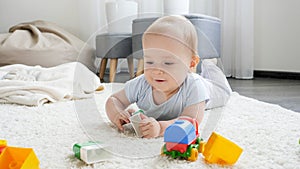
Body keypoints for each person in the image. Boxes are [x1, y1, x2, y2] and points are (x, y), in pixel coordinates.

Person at [105, 15, 232, 138]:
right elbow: (114, 100)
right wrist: (117, 114)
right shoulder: (141, 84)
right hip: (186, 73)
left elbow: (191, 122)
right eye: (150, 62)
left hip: (214, 89)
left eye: (168, 63)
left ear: (191, 63)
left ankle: (209, 64)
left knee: (221, 86)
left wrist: (161, 128)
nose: (157, 70)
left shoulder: (195, 87)